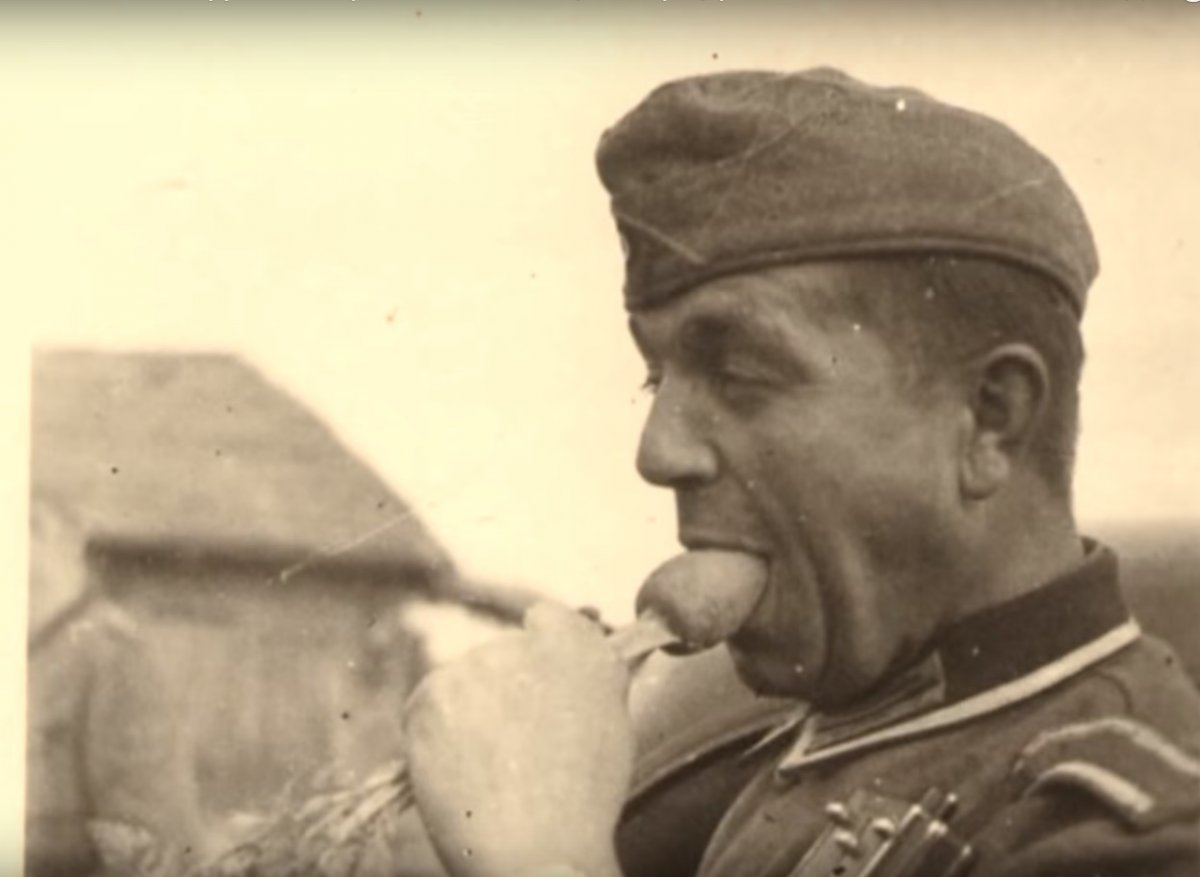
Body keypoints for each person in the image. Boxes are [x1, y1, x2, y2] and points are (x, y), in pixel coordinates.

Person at [402, 69, 1200, 877]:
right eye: (656, 377)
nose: (658, 450)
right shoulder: (746, 757)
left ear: (992, 418)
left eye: (739, 373)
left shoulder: (1130, 835)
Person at [26, 496, 207, 876]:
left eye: (31, 527)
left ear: (71, 541)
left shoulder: (112, 657)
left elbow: (152, 845)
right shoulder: (30, 653)